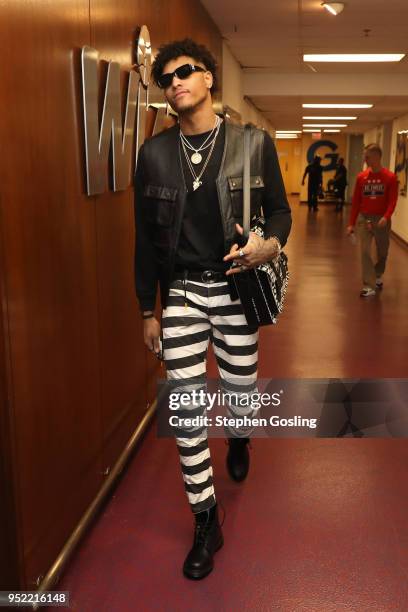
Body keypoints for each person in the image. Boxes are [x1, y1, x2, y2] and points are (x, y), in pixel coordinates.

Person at [133, 38, 291, 579]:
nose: (174, 82)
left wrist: (267, 246)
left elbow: (282, 215)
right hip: (180, 291)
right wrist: (145, 310)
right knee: (186, 412)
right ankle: (206, 520)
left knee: (241, 391)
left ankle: (241, 433)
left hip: (236, 286)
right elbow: (144, 239)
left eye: (183, 72)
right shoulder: (154, 154)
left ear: (207, 78)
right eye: (165, 79)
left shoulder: (253, 143)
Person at [346, 143, 398, 297]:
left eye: (367, 156)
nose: (365, 159)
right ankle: (369, 284)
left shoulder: (390, 177)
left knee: (383, 252)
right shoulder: (361, 177)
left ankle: (377, 274)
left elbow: (392, 201)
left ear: (377, 157)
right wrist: (351, 224)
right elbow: (356, 202)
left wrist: (386, 217)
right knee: (365, 251)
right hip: (365, 218)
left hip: (381, 219)